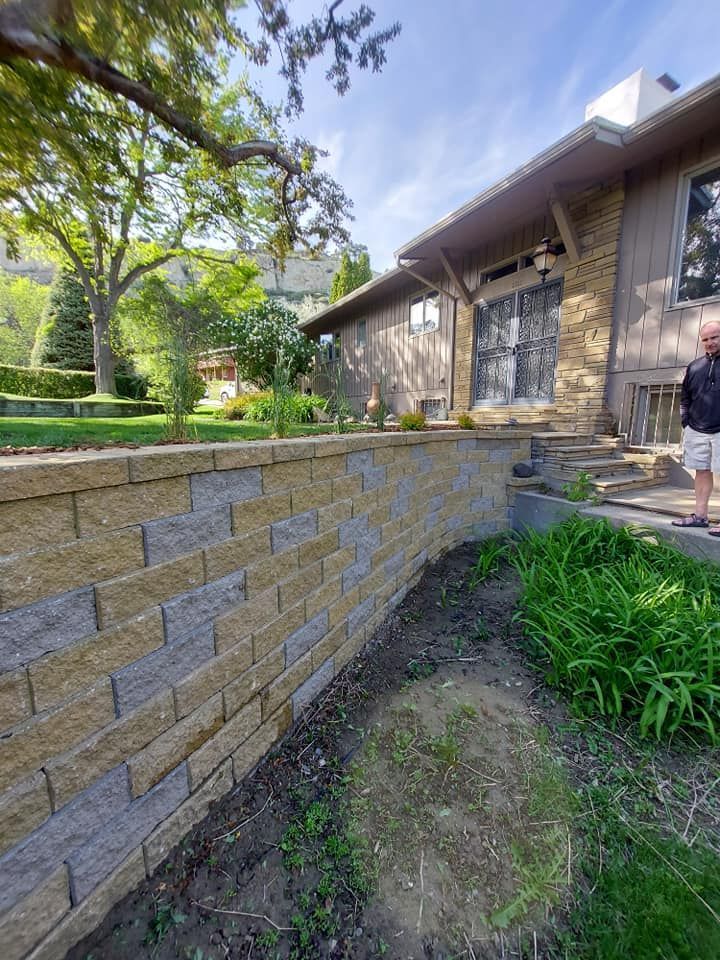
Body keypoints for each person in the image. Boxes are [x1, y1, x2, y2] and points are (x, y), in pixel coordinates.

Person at [672, 321, 720, 535]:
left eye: (715, 337)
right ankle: (700, 516)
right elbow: (685, 398)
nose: (710, 342)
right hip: (697, 429)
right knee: (701, 471)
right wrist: (686, 422)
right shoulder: (695, 366)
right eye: (705, 339)